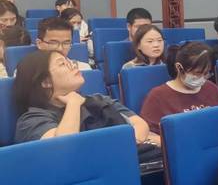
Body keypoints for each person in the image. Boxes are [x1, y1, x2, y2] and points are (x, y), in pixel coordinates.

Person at [13, 50, 158, 146]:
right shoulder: (31, 120)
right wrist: (73, 104)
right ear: (45, 82)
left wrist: (121, 148)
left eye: (69, 61)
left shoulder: (98, 99)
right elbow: (62, 148)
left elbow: (140, 124)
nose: (73, 65)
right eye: (63, 64)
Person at [139, 41, 218, 134]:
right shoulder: (158, 96)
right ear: (179, 68)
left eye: (206, 73)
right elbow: (148, 134)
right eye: (197, 73)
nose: (202, 78)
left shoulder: (211, 88)